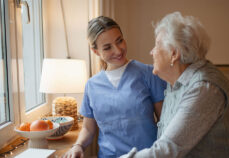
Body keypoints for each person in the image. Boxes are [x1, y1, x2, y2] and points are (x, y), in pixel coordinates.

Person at [120, 11, 229, 158]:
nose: (151, 52)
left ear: (174, 54)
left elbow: (167, 150)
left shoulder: (204, 88)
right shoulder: (175, 83)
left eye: (157, 45)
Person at [62, 16, 166, 158]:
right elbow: (88, 128)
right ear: (96, 51)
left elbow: (165, 122)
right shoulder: (92, 85)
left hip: (148, 155)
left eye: (119, 41)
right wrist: (78, 146)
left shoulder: (148, 74)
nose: (118, 50)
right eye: (107, 47)